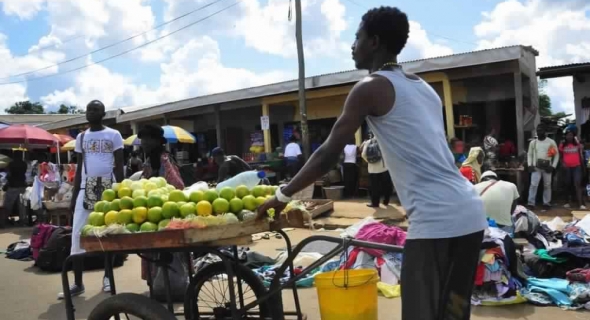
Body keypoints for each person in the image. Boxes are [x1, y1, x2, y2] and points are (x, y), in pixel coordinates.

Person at [257, 6, 487, 320]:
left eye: (357, 37)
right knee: (452, 314)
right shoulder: (424, 88)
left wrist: (282, 196)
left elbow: (328, 153)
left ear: (374, 42)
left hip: (437, 219)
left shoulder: (369, 88)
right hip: (470, 214)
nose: (352, 46)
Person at [58, 100, 124, 299]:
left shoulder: (114, 135)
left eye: (95, 109)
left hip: (108, 188)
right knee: (77, 234)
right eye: (88, 109)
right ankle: (78, 284)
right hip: (86, 188)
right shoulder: (81, 137)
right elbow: (79, 169)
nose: (91, 112)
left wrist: (121, 192)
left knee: (107, 234)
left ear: (103, 113)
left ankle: (107, 278)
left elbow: (119, 167)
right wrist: (74, 195)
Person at [139, 124, 185, 190]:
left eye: (147, 139)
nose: (143, 143)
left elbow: (179, 186)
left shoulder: (164, 159)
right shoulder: (149, 160)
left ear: (158, 141)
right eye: (142, 139)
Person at [527, 126, 559, 209]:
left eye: (541, 130)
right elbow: (529, 154)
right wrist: (530, 165)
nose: (539, 132)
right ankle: (531, 203)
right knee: (533, 185)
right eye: (538, 131)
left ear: (545, 131)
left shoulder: (551, 142)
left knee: (547, 185)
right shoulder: (533, 143)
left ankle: (546, 203)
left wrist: (553, 166)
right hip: (536, 167)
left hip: (547, 167)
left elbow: (556, 155)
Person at [361, 134, 392, 207]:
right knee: (387, 185)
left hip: (372, 169)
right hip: (384, 167)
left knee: (374, 187)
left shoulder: (368, 142)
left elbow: (363, 154)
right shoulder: (384, 141)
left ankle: (375, 203)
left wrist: (370, 161)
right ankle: (386, 201)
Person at [559, 129, 586, 209]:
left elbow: (581, 154)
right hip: (567, 167)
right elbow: (560, 156)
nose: (569, 137)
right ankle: (567, 202)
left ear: (573, 136)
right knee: (567, 184)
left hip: (576, 166)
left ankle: (580, 203)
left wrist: (582, 166)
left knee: (577, 183)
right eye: (568, 135)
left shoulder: (577, 144)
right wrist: (562, 164)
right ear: (565, 136)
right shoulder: (562, 145)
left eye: (571, 135)